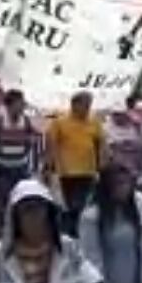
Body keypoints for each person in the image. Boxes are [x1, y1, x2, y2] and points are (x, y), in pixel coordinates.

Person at [45, 91, 104, 236]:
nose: (87, 109)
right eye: (85, 105)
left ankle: (75, 230)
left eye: (89, 105)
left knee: (80, 203)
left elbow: (101, 144)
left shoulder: (94, 123)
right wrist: (48, 166)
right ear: (74, 105)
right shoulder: (59, 123)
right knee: (69, 204)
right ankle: (69, 231)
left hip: (88, 171)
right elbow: (51, 145)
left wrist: (102, 165)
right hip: (66, 172)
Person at [0, 89, 40, 229]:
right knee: (3, 198)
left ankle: (17, 227)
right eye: (19, 104)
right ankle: (2, 226)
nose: (21, 107)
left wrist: (28, 146)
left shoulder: (26, 121)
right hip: (2, 168)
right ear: (9, 105)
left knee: (22, 198)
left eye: (22, 104)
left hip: (21, 167)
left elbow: (35, 137)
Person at [103, 96, 142, 178]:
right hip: (117, 170)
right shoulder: (106, 128)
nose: (119, 117)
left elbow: (141, 146)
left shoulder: (135, 126)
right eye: (116, 114)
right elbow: (108, 148)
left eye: (121, 114)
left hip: (135, 167)